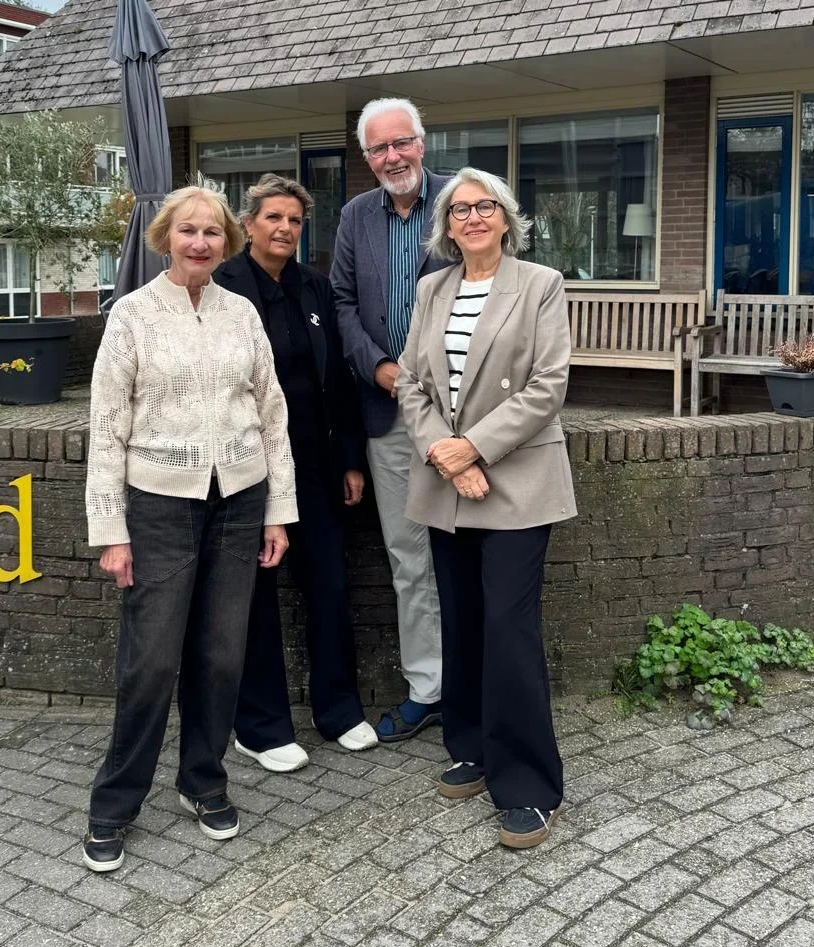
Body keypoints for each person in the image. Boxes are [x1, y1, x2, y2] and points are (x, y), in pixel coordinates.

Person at [82, 184, 297, 872]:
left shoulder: (240, 313)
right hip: (159, 507)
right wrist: (110, 529)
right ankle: (114, 802)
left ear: (227, 242)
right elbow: (107, 428)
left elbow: (271, 414)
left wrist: (277, 512)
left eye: (212, 232)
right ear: (166, 237)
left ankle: (202, 779)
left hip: (238, 500)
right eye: (188, 231)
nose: (200, 242)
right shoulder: (134, 316)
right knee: (150, 662)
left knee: (221, 654)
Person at [395, 166, 577, 849]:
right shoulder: (430, 289)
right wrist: (443, 451)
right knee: (463, 620)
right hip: (446, 481)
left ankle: (530, 781)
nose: (471, 217)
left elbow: (546, 384)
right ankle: (471, 746)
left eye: (485, 206)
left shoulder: (539, 285)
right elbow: (411, 384)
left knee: (507, 627)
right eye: (459, 209)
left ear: (505, 218)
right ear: (445, 226)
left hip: (516, 482)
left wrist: (471, 448)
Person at [214, 173, 377, 771]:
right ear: (248, 224)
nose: (284, 228)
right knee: (255, 593)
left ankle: (338, 710)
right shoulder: (222, 286)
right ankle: (258, 726)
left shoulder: (314, 288)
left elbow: (339, 382)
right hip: (248, 470)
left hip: (316, 465)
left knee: (330, 586)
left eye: (294, 220)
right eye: (272, 218)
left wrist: (351, 457)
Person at [329, 97, 452, 743]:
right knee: (408, 557)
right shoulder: (354, 217)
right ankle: (427, 687)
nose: (391, 157)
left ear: (421, 143)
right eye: (378, 148)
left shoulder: (462, 203)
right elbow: (342, 301)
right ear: (366, 157)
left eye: (400, 142)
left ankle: (473, 683)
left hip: (460, 413)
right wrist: (375, 365)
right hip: (386, 410)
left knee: (465, 550)